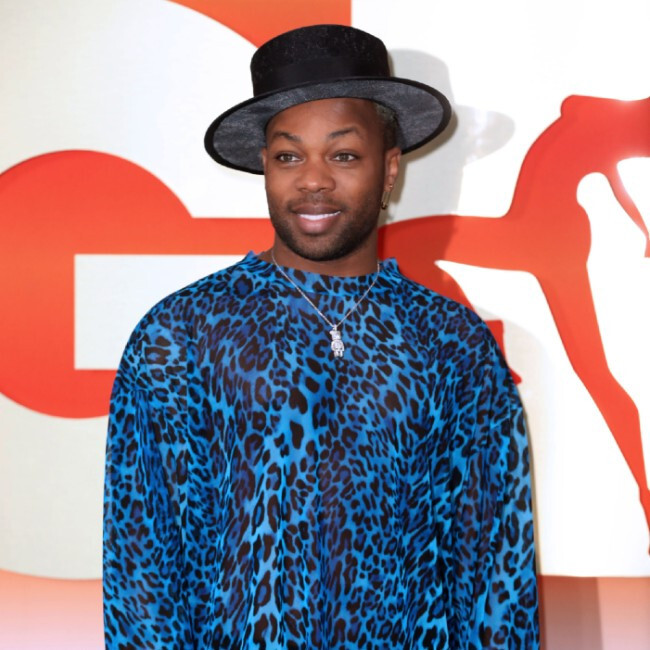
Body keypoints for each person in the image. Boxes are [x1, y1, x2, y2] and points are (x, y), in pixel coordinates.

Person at [103, 24, 539, 649]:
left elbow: (497, 567)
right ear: (264, 166)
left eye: (343, 155)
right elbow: (142, 567)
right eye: (289, 156)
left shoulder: (451, 343)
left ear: (390, 170)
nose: (313, 180)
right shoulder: (181, 333)